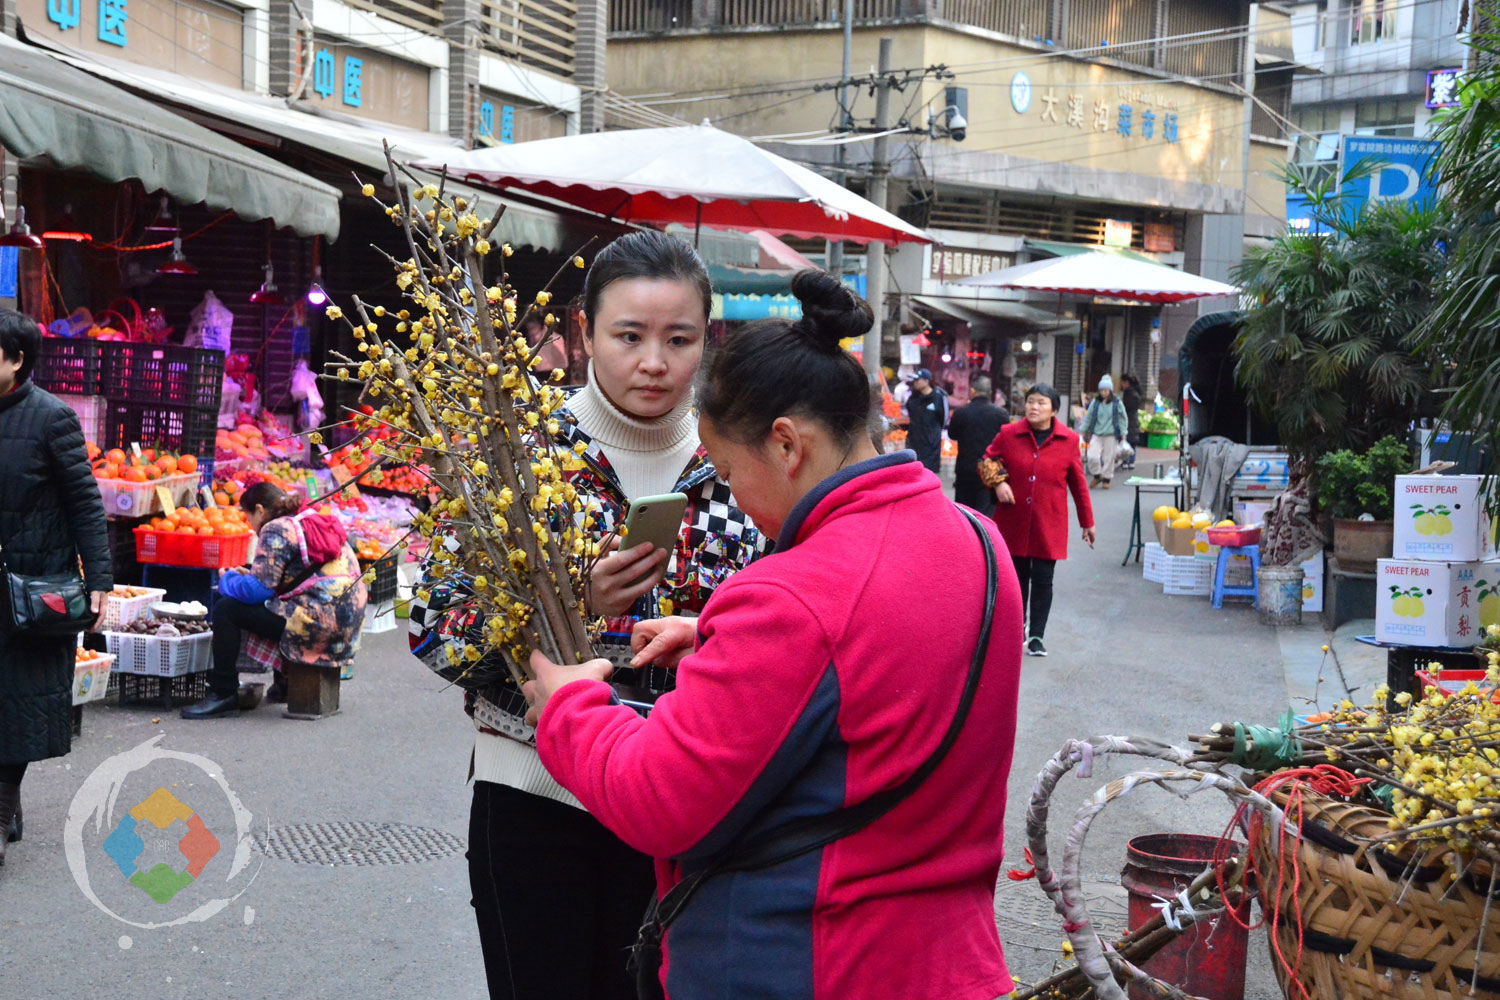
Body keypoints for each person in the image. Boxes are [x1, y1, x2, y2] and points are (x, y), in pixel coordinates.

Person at [522, 271, 1025, 1000]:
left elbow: (657, 800)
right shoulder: (979, 543)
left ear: (786, 445)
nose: (737, 498)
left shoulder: (794, 594)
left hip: (807, 962)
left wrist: (571, 708)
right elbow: (878, 659)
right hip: (948, 962)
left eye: (728, 471)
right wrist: (721, 638)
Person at [408, 230, 765, 1000]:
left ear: (710, 339)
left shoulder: (740, 461)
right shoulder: (515, 450)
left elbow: (786, 624)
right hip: (535, 795)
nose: (655, 362)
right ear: (582, 331)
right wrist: (573, 606)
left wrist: (708, 633)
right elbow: (433, 626)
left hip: (683, 800)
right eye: (629, 336)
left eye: (680, 339)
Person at [0, 311, 113, 868]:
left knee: (16, 702)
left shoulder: (52, 420)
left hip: (29, 590)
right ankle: (6, 803)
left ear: (17, 360)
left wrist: (100, 583)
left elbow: (86, 506)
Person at [180, 482, 367, 718]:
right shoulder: (309, 517)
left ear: (259, 510)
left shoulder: (276, 528)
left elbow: (258, 591)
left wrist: (227, 579)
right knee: (280, 605)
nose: (252, 526)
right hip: (347, 621)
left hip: (319, 624)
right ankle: (284, 686)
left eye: (249, 518)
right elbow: (293, 577)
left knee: (227, 608)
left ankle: (223, 692)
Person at [983, 383, 1095, 657]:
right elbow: (988, 459)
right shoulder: (1009, 434)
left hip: (1049, 523)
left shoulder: (1068, 440)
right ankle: (1017, 626)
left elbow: (1078, 484)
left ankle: (1037, 636)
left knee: (1044, 579)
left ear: (1054, 410)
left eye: (1041, 403)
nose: (1034, 407)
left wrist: (1087, 522)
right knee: (1016, 579)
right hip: (1014, 520)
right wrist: (998, 483)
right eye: (1031, 401)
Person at [947, 375, 1009, 516]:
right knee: (986, 512)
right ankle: (985, 537)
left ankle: (967, 537)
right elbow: (1007, 441)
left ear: (973, 391)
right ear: (990, 393)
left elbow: (952, 435)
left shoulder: (961, 412)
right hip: (990, 468)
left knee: (964, 512)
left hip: (965, 469)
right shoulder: (1001, 414)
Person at [1080, 375, 1129, 488]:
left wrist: (1123, 433)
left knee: (1109, 458)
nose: (1103, 392)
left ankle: (1106, 479)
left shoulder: (1117, 403)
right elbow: (1089, 417)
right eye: (1101, 390)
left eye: (1105, 390)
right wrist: (1083, 430)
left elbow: (1123, 419)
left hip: (1111, 434)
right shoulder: (1095, 403)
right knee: (1092, 456)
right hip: (1097, 434)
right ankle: (1097, 475)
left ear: (1110, 390)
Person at [903, 367, 949, 474]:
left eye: (917, 380)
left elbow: (944, 419)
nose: (915, 383)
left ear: (926, 381)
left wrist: (933, 433)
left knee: (928, 473)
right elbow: (909, 414)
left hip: (930, 443)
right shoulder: (913, 398)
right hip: (914, 440)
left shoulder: (938, 397)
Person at [1120, 373, 1143, 471]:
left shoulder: (1128, 394)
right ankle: (1132, 461)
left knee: (1127, 440)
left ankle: (1125, 461)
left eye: (1122, 382)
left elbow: (1125, 408)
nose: (1121, 385)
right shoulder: (1136, 393)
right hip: (1134, 419)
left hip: (1128, 419)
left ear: (1126, 383)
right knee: (1133, 441)